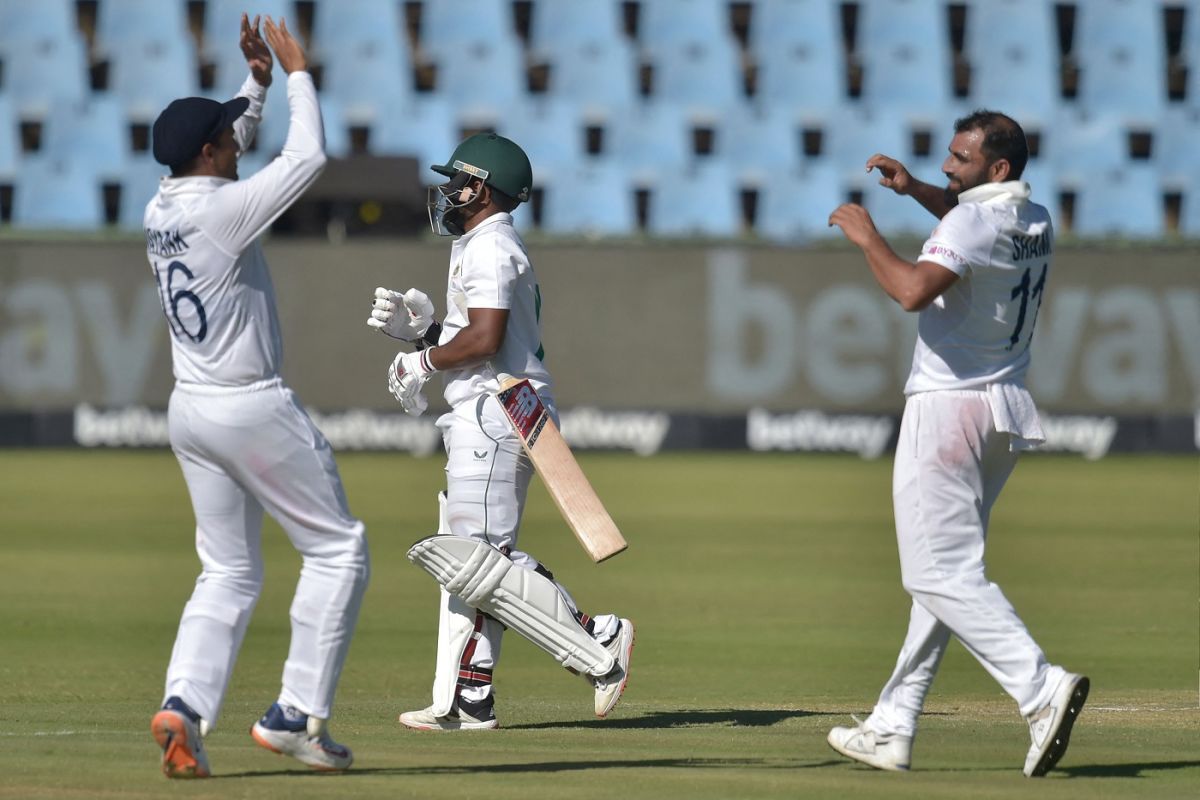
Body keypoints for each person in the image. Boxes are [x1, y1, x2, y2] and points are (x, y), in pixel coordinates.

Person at [825, 110, 1088, 777]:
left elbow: (913, 290)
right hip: (1003, 414)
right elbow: (964, 214)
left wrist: (867, 234)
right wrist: (915, 187)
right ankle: (893, 723)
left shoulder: (972, 222)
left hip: (947, 413)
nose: (948, 167)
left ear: (996, 169)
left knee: (936, 573)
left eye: (960, 160)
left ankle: (1039, 687)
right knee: (940, 579)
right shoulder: (1034, 219)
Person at [145, 15, 368, 778]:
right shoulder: (223, 211)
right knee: (338, 550)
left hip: (191, 409)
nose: (238, 138)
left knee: (229, 572)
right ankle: (295, 717)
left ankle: (183, 706)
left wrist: (257, 85)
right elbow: (309, 156)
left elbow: (230, 133)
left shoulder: (164, 206)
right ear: (209, 155)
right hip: (249, 406)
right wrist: (300, 72)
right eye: (227, 136)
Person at [367, 133, 634, 730]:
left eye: (455, 180)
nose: (446, 191)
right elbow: (482, 341)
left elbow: (485, 342)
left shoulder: (490, 246)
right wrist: (430, 333)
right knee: (479, 558)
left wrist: (423, 361)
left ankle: (598, 638)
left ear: (480, 187)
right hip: (493, 403)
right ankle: (470, 697)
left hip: (496, 410)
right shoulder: (481, 243)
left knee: (477, 559)